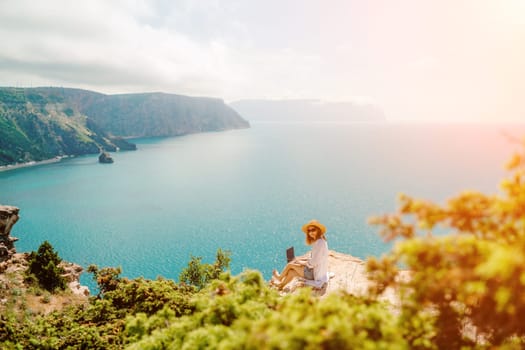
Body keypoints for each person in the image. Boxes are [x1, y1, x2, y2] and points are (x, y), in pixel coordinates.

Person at [271, 219, 329, 290]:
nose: (311, 232)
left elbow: (313, 262)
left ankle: (279, 278)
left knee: (290, 265)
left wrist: (301, 263)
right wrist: (301, 261)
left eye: (313, 230)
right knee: (292, 272)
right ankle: (281, 285)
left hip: (314, 273)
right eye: (309, 231)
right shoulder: (321, 241)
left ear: (318, 230)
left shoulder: (319, 243)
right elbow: (316, 258)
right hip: (319, 272)